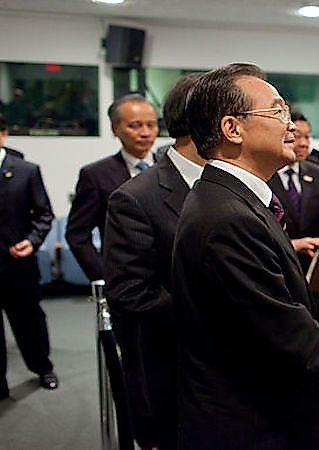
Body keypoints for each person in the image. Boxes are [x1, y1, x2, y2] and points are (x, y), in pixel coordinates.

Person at [172, 63, 319, 450]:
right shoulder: (228, 218)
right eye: (277, 112)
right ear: (232, 129)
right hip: (250, 423)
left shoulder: (231, 200)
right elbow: (297, 344)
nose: (293, 127)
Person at [103, 73, 204, 450]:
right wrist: (208, 313)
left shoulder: (229, 184)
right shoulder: (135, 198)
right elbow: (130, 291)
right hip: (171, 362)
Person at [66, 94, 159, 282]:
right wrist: (103, 276)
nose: (145, 132)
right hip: (124, 280)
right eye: (135, 125)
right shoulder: (96, 175)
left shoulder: (169, 167)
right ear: (115, 128)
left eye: (151, 125)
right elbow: (78, 234)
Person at [0, 112, 57, 398]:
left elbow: (44, 214)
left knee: (29, 322)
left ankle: (42, 367)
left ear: (3, 134)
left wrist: (32, 241)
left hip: (17, 265)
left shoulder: (25, 171)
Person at [267, 112, 319, 272]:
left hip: (312, 270)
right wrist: (292, 245)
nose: (304, 144)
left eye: (308, 137)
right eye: (297, 136)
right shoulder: (264, 175)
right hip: (275, 267)